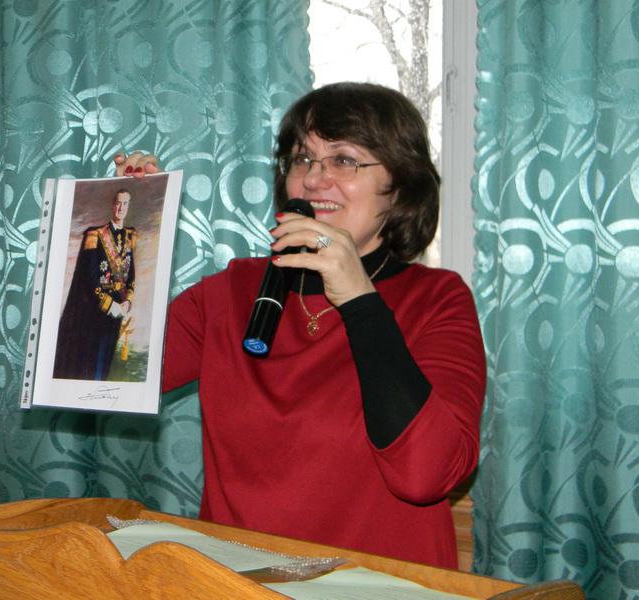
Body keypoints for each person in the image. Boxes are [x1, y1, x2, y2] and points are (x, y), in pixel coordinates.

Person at [115, 82, 485, 569]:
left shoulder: (438, 300)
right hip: (238, 584)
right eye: (301, 159)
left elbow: (425, 476)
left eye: (344, 160)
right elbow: (107, 374)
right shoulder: (230, 293)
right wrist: (129, 234)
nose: (313, 179)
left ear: (400, 186)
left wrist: (359, 299)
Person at [53, 189, 136, 381]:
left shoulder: (130, 237)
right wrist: (109, 305)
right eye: (118, 203)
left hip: (119, 308)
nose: (121, 208)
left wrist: (127, 301)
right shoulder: (95, 235)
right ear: (113, 205)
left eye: (125, 204)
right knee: (92, 363)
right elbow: (89, 277)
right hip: (97, 309)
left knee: (106, 359)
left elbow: (130, 275)